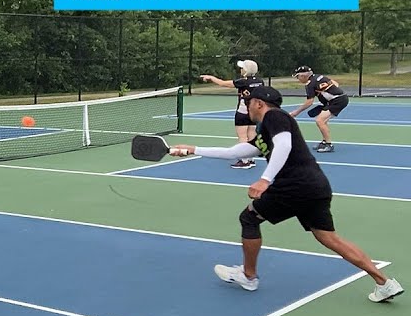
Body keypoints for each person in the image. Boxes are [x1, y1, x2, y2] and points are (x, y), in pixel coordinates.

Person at [167, 85, 402, 303]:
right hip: (315, 186)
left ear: (259, 103)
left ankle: (248, 276)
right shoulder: (266, 128)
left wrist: (265, 179)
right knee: (329, 238)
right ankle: (384, 283)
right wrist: (193, 149)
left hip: (294, 186)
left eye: (248, 103)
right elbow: (236, 152)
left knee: (249, 218)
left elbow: (284, 145)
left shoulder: (275, 116)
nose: (247, 107)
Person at [197, 59, 263, 169]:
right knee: (251, 135)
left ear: (246, 70)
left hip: (243, 112)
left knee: (242, 137)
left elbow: (223, 83)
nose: (241, 70)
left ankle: (244, 160)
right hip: (254, 113)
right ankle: (251, 159)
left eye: (242, 68)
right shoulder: (260, 81)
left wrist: (211, 78)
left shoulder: (243, 82)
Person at [286, 65, 348, 153]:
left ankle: (329, 144)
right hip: (337, 99)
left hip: (337, 101)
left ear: (303, 76)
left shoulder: (310, 84)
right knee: (323, 121)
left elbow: (309, 102)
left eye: (298, 76)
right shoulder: (319, 76)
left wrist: (296, 112)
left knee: (320, 120)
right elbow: (335, 83)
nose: (298, 79)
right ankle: (324, 141)